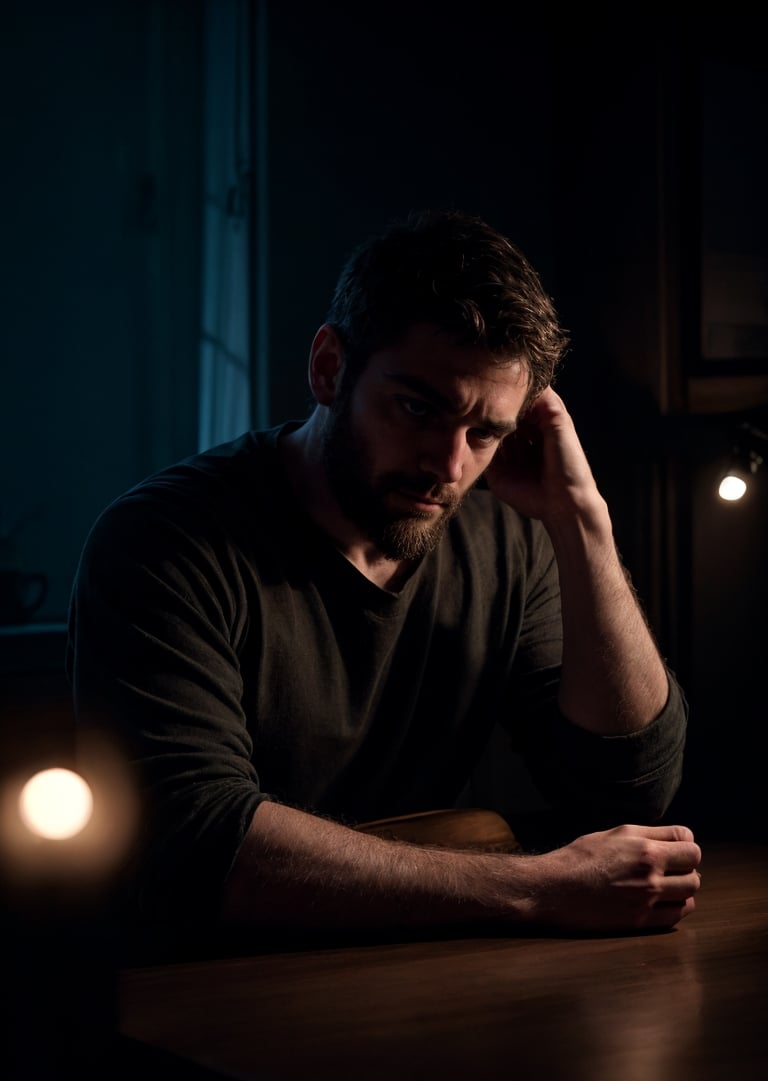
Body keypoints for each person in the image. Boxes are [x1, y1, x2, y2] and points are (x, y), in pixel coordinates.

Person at [66, 207, 700, 962]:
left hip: (415, 973)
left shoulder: (509, 540)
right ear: (330, 368)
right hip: (199, 992)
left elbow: (628, 786)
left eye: (485, 432)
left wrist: (583, 521)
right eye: (418, 409)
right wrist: (538, 887)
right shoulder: (166, 541)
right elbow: (199, 845)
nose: (450, 464)